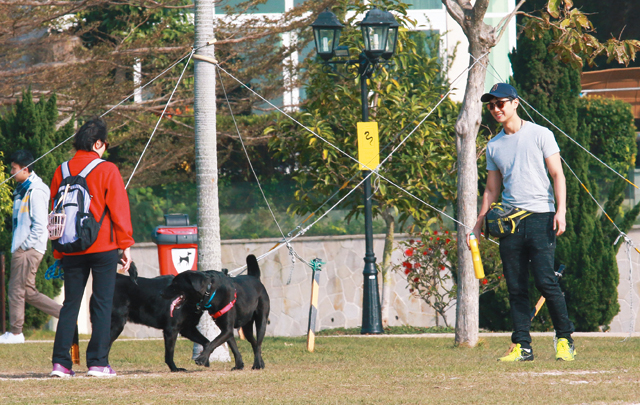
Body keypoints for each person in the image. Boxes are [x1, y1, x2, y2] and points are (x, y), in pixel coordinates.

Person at [469, 83, 576, 362]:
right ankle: (522, 346)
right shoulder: (493, 146)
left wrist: (560, 210)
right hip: (510, 222)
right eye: (491, 105)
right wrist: (478, 223)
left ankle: (564, 339)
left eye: (501, 103)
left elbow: (558, 175)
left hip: (542, 217)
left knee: (545, 281)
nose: (496, 109)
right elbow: (491, 190)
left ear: (516, 102)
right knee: (515, 286)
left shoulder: (541, 134)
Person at [49, 118, 134, 378]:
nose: (105, 148)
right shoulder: (107, 169)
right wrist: (125, 245)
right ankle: (98, 362)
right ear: (97, 143)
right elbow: (119, 210)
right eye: (104, 144)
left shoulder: (60, 170)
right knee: (101, 303)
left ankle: (61, 364)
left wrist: (58, 252)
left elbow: (53, 212)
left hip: (70, 247)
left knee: (70, 304)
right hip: (103, 247)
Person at [0, 150, 62, 344]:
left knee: (16, 290)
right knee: (28, 292)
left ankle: (16, 333)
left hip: (28, 249)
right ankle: (66, 314)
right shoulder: (23, 189)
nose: (11, 172)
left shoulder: (36, 190)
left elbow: (40, 224)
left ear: (26, 169)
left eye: (14, 169)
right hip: (24, 247)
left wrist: (24, 246)